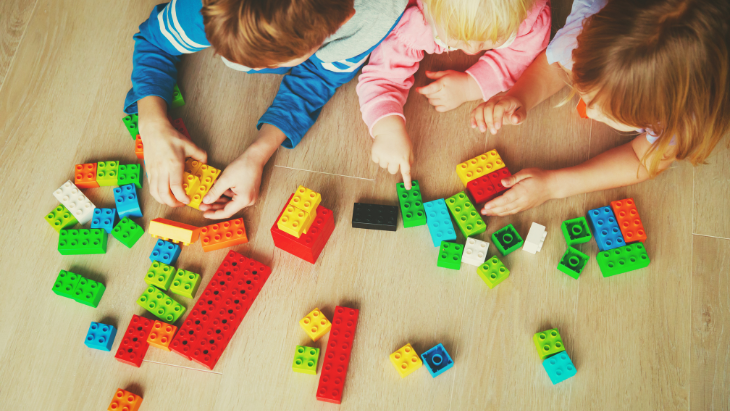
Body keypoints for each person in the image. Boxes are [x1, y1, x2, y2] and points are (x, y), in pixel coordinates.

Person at [125, 0, 407, 218]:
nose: (247, 69)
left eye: (270, 64)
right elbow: (154, 41)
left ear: (342, 20)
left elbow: (319, 77)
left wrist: (257, 153)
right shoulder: (212, 9)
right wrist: (151, 124)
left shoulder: (369, 19)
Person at [471, 0, 730, 216]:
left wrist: (553, 186)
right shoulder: (586, 30)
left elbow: (641, 160)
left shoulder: (682, 120)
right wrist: (519, 96)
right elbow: (558, 63)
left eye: (609, 112)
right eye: (584, 88)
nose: (589, 110)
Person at [357, 0, 551, 188]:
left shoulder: (529, 15)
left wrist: (470, 85)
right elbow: (382, 77)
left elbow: (521, 55)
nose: (472, 49)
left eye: (493, 37)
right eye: (457, 37)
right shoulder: (414, 21)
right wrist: (388, 129)